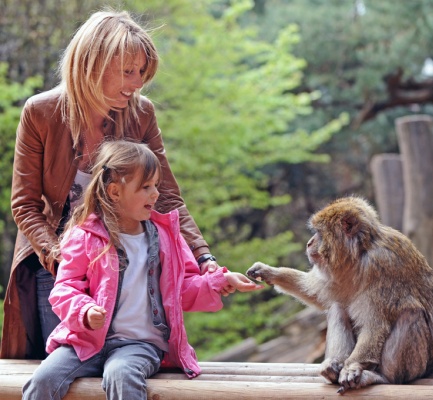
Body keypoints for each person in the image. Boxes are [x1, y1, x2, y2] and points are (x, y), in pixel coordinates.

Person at [1, 10, 229, 360]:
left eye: (142, 73)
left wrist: (203, 257)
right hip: (60, 267)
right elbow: (25, 205)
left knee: (127, 365)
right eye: (128, 71)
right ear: (92, 64)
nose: (137, 83)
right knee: (68, 368)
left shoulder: (141, 113)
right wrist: (59, 258)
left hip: (131, 260)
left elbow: (166, 196)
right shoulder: (40, 112)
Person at [21, 141, 263, 400]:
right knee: (42, 380)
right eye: (146, 187)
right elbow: (65, 288)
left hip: (140, 344)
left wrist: (218, 280)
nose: (155, 194)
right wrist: (85, 310)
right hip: (85, 342)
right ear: (114, 191)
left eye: (156, 185)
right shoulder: (84, 236)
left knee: (122, 375)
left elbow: (181, 289)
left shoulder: (167, 238)